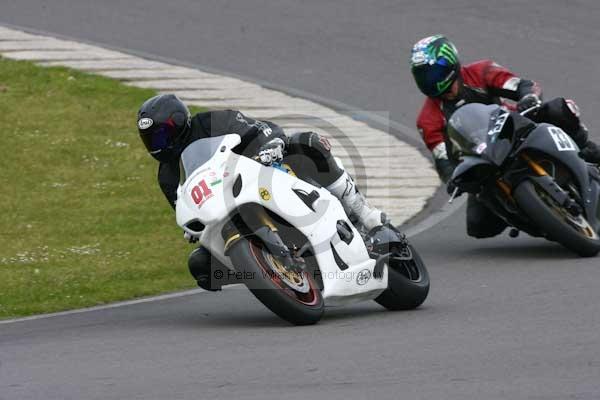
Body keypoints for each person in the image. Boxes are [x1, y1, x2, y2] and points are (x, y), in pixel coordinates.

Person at [136, 94, 388, 290]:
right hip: (227, 212)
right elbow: (184, 206)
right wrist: (191, 229)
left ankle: (366, 215)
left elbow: (262, 129)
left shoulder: (212, 122)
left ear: (180, 123)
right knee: (201, 265)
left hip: (264, 174)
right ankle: (267, 274)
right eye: (150, 140)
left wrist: (270, 145)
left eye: (161, 136)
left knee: (308, 142)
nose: (157, 145)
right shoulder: (167, 176)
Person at [409, 34, 600, 238]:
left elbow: (521, 85)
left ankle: (590, 151)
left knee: (559, 110)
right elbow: (442, 159)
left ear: (449, 63)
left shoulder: (480, 71)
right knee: (478, 225)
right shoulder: (427, 120)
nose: (429, 80)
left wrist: (528, 97)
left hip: (515, 128)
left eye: (433, 73)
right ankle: (537, 219)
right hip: (483, 158)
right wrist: (453, 179)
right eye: (422, 76)